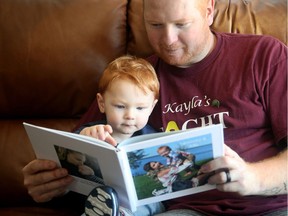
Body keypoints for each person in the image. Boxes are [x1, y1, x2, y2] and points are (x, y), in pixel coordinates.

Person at [22, 0, 287, 215]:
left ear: (209, 11)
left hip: (268, 206)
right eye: (156, 25)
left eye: (181, 24)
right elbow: (85, 158)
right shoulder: (134, 82)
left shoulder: (263, 55)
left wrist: (254, 178)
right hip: (186, 211)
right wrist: (53, 185)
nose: (169, 39)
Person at [75, 55, 164, 215]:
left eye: (140, 108)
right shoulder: (92, 132)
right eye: (121, 106)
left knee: (152, 202)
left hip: (142, 203)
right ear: (102, 103)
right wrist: (82, 139)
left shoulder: (153, 139)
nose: (130, 115)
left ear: (152, 107)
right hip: (100, 201)